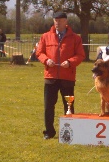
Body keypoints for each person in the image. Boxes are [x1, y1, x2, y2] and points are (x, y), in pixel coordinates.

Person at [36, 12, 85, 140]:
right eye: (55, 20)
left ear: (66, 22)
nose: (57, 22)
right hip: (50, 77)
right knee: (48, 106)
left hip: (67, 78)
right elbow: (39, 52)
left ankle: (69, 131)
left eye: (60, 20)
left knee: (69, 106)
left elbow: (80, 55)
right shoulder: (45, 37)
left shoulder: (75, 38)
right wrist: (46, 60)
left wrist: (69, 62)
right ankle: (49, 132)